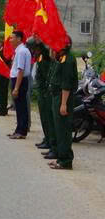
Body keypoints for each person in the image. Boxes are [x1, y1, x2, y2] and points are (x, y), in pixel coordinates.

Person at [47, 40, 75, 170]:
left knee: (63, 129)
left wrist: (63, 104)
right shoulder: (62, 58)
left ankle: (65, 160)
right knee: (59, 129)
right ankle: (61, 157)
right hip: (58, 97)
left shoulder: (68, 60)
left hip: (63, 98)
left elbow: (66, 83)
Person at [29, 39, 55, 153]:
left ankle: (50, 140)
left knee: (48, 118)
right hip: (41, 91)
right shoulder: (40, 57)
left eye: (33, 48)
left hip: (45, 92)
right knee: (44, 118)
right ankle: (47, 138)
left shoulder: (45, 58)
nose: (32, 51)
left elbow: (45, 76)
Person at [8, 30, 32, 139]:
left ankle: (22, 131)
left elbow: (21, 70)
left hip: (20, 81)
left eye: (12, 38)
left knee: (21, 107)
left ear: (18, 39)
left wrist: (16, 88)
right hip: (18, 80)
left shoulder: (22, 51)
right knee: (18, 107)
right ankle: (19, 129)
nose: (10, 40)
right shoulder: (19, 51)